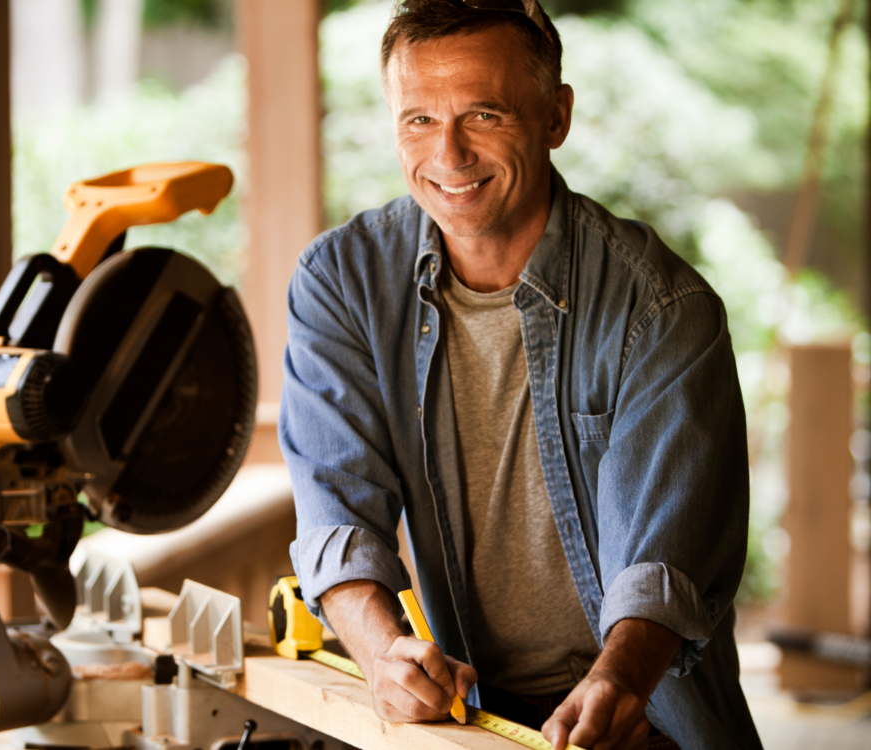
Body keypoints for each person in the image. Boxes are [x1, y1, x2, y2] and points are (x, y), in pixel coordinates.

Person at [279, 1, 763, 748]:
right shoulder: (341, 282)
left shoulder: (665, 308)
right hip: (467, 714)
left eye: (484, 114)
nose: (449, 153)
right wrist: (381, 653)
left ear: (555, 117)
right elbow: (336, 514)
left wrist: (618, 681)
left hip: (644, 718)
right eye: (417, 120)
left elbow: (663, 566)